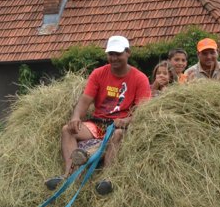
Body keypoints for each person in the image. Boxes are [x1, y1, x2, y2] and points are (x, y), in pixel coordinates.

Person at [45, 35, 152, 195]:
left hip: (121, 125)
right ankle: (70, 175)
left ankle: (108, 178)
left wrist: (125, 121)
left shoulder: (140, 78)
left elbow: (142, 111)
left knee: (117, 134)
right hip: (98, 123)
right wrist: (76, 117)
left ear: (128, 53)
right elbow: (85, 100)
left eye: (118, 54)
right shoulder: (98, 74)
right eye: (110, 54)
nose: (114, 58)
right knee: (67, 129)